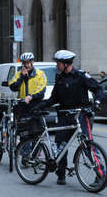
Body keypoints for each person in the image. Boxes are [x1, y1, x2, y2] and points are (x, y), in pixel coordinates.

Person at [32, 50, 104, 185]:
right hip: (64, 115)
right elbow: (53, 98)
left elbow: (98, 89)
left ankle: (101, 175)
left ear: (66, 64)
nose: (56, 66)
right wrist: (41, 105)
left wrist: (97, 103)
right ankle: (61, 174)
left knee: (87, 144)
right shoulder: (59, 78)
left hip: (80, 115)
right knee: (60, 145)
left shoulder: (81, 76)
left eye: (58, 63)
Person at [9, 52, 47, 119]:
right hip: (23, 105)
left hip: (36, 104)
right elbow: (13, 87)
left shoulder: (40, 74)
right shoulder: (18, 75)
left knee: (38, 126)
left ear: (32, 62)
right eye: (24, 63)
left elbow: (42, 88)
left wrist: (31, 96)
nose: (26, 65)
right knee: (22, 126)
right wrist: (22, 77)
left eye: (28, 63)